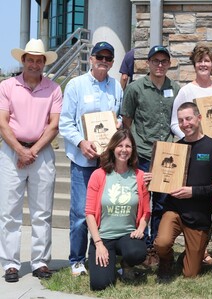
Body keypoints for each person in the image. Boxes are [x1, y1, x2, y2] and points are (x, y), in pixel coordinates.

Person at [59, 41, 123, 277]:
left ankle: (100, 256)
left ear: (112, 62)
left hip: (107, 162)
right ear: (91, 58)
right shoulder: (76, 85)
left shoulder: (116, 87)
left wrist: (116, 125)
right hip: (83, 161)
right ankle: (76, 260)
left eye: (108, 58)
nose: (103, 62)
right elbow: (65, 122)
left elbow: (120, 117)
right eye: (100, 57)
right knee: (79, 212)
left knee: (106, 211)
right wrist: (81, 142)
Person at [0, 39, 61, 282]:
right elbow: (2, 123)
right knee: (9, 212)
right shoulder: (7, 86)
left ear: (44, 63)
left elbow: (53, 125)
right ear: (23, 60)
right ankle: (10, 264)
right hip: (11, 151)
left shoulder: (54, 89)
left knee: (42, 212)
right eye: (30, 59)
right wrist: (19, 150)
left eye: (39, 60)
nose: (35, 64)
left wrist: (31, 151)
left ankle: (40, 262)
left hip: (41, 153)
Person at [121, 45, 181, 266]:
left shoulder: (175, 88)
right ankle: (140, 245)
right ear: (148, 63)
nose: (160, 65)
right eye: (155, 61)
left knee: (162, 203)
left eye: (164, 61)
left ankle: (156, 247)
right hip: (143, 154)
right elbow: (126, 121)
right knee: (141, 201)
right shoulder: (135, 88)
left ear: (169, 64)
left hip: (166, 156)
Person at [150, 102, 212, 280]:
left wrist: (193, 192)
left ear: (199, 118)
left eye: (189, 118)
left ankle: (194, 256)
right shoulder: (174, 148)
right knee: (161, 243)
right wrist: (152, 178)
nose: (185, 124)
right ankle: (166, 262)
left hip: (199, 214)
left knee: (190, 274)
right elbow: (163, 180)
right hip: (174, 208)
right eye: (181, 120)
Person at [85, 129, 150, 291]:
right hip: (104, 237)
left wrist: (141, 228)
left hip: (127, 235)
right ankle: (108, 261)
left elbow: (146, 211)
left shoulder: (140, 176)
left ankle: (127, 264)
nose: (124, 150)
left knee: (137, 252)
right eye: (120, 145)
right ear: (113, 148)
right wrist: (98, 244)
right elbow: (90, 213)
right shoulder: (98, 175)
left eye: (128, 146)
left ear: (133, 150)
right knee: (100, 285)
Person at [171, 44, 212, 150]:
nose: (203, 64)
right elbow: (174, 123)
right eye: (199, 61)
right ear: (194, 65)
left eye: (206, 61)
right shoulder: (185, 91)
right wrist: (190, 137)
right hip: (196, 149)